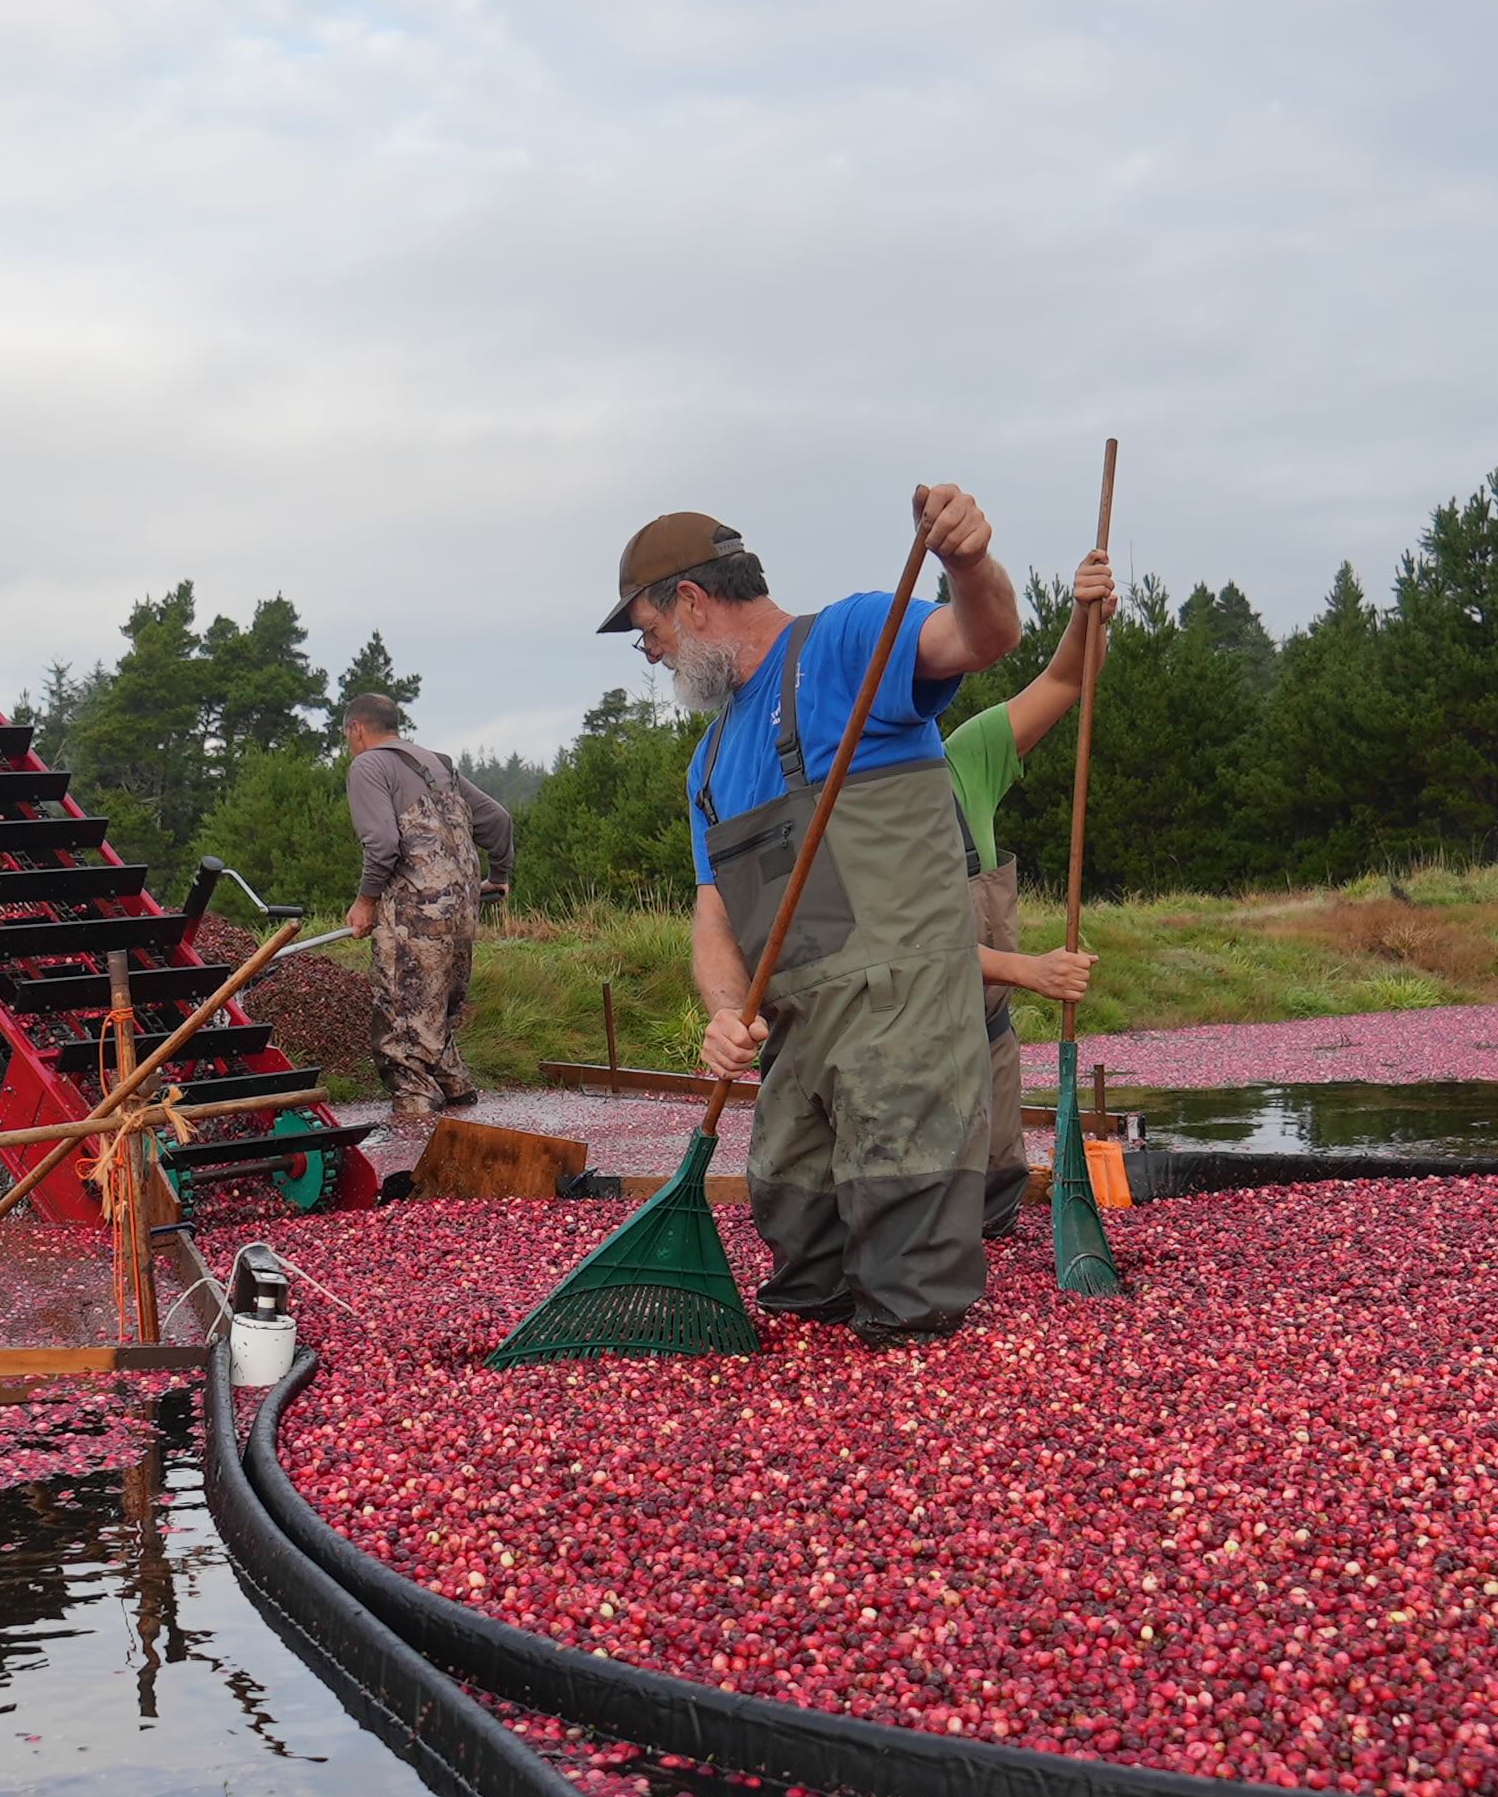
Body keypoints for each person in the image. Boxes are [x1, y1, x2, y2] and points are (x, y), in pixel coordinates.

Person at [605, 489, 1024, 1346]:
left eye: (650, 633)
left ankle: (913, 1422)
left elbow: (982, 638)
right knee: (798, 1235)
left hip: (902, 1017)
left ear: (692, 599)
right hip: (799, 1039)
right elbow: (714, 911)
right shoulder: (710, 760)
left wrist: (969, 561)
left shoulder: (846, 643)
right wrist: (725, 1012)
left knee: (909, 1271)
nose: (651, 656)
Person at [946, 553, 1113, 1239]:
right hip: (903, 1064)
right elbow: (895, 948)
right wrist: (1030, 971)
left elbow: (1070, 677)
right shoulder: (835, 803)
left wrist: (1084, 614)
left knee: (993, 1209)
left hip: (988, 1048)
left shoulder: (964, 758)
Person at [339, 691, 514, 1122]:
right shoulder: (439, 764)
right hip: (462, 910)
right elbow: (497, 821)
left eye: (347, 735)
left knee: (401, 1016)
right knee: (436, 1005)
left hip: (415, 913)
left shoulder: (368, 765)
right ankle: (454, 1085)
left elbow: (382, 843)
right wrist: (500, 876)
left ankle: (415, 1122)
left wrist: (365, 902)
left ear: (357, 729)